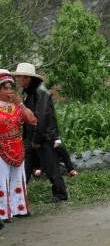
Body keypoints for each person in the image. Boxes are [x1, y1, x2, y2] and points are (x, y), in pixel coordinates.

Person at [12, 62, 68, 202]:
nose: (18, 80)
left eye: (20, 77)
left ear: (27, 78)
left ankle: (60, 194)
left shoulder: (40, 92)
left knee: (51, 167)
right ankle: (18, 198)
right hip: (33, 136)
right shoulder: (30, 92)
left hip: (42, 137)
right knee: (26, 167)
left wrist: (36, 140)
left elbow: (41, 118)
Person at [0, 70, 37, 226]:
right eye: (5, 88)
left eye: (11, 88)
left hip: (18, 146)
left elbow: (32, 120)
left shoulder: (16, 107)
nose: (9, 91)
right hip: (1, 148)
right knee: (2, 181)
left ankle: (19, 209)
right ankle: (3, 213)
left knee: (17, 179)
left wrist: (20, 104)